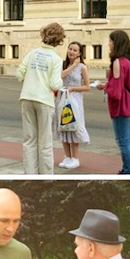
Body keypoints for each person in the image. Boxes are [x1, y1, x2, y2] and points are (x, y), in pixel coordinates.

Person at [16, 23, 65, 174]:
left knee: (29, 140)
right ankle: (46, 175)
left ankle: (30, 173)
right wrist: (61, 81)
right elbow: (54, 84)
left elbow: (19, 74)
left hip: (27, 96)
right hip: (44, 100)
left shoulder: (32, 53)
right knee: (45, 142)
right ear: (59, 40)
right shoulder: (56, 59)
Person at [96, 30, 130, 174]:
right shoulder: (127, 61)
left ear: (117, 43)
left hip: (121, 107)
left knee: (123, 140)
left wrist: (104, 86)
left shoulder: (117, 62)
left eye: (110, 41)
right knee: (127, 140)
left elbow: (116, 92)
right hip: (129, 104)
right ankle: (128, 168)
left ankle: (129, 170)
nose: (108, 44)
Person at [55, 41, 91, 169]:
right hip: (62, 99)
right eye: (70, 49)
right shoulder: (63, 64)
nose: (72, 52)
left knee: (73, 127)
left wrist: (73, 89)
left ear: (79, 53)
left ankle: (75, 157)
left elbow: (87, 86)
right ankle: (67, 156)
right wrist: (72, 66)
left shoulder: (82, 67)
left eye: (75, 50)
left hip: (74, 100)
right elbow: (60, 76)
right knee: (63, 127)